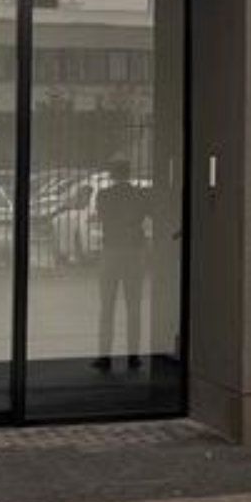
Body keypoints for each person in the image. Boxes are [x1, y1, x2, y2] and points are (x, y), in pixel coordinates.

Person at [91, 160, 151, 373]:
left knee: (107, 306)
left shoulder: (104, 196)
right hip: (135, 252)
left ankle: (104, 357)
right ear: (129, 172)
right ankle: (133, 356)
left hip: (111, 252)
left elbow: (102, 217)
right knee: (134, 306)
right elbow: (149, 215)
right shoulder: (141, 195)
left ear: (112, 174)